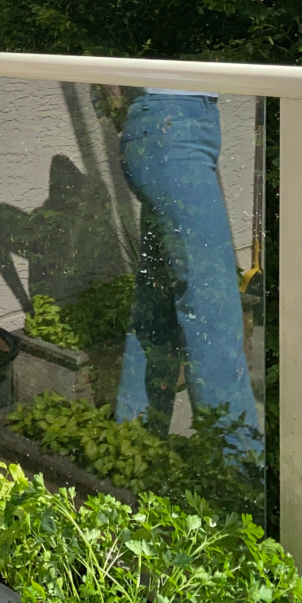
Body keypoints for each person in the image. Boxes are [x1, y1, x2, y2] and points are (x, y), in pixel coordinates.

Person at [114, 87, 262, 457]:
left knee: (158, 308)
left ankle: (132, 451)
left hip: (174, 126)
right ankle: (237, 484)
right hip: (172, 127)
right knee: (214, 312)